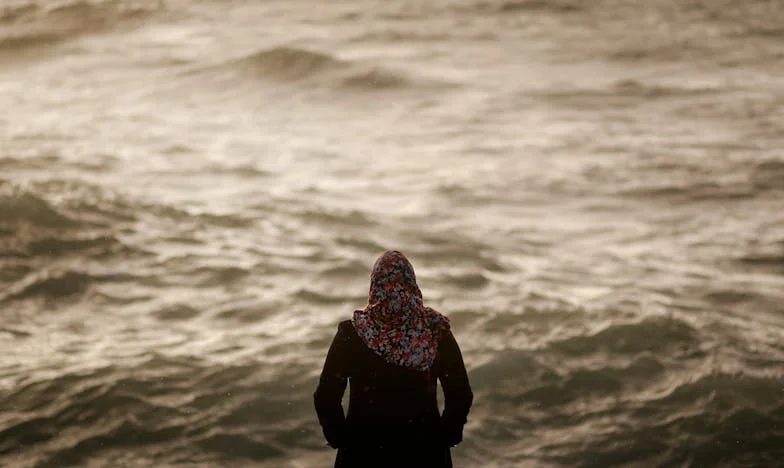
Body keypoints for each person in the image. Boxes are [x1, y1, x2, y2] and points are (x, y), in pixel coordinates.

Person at [314, 250, 473, 468]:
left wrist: (341, 439)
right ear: (412, 283)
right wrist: (445, 438)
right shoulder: (435, 332)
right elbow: (460, 394)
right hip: (424, 455)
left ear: (374, 285)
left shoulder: (352, 335)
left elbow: (326, 396)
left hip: (363, 455)